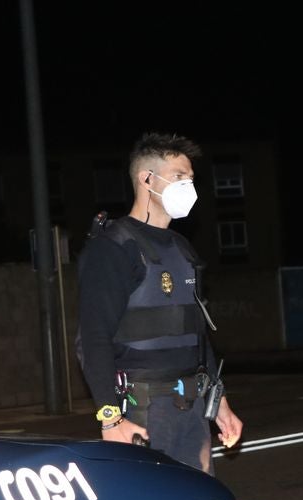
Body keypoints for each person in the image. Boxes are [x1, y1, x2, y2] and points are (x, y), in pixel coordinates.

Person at [77, 132, 242, 474]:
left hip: (192, 408)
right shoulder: (113, 247)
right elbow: (92, 339)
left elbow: (197, 334)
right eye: (180, 177)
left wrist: (220, 401)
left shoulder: (183, 250)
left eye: (191, 179)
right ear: (147, 178)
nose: (189, 187)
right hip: (143, 409)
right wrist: (110, 419)